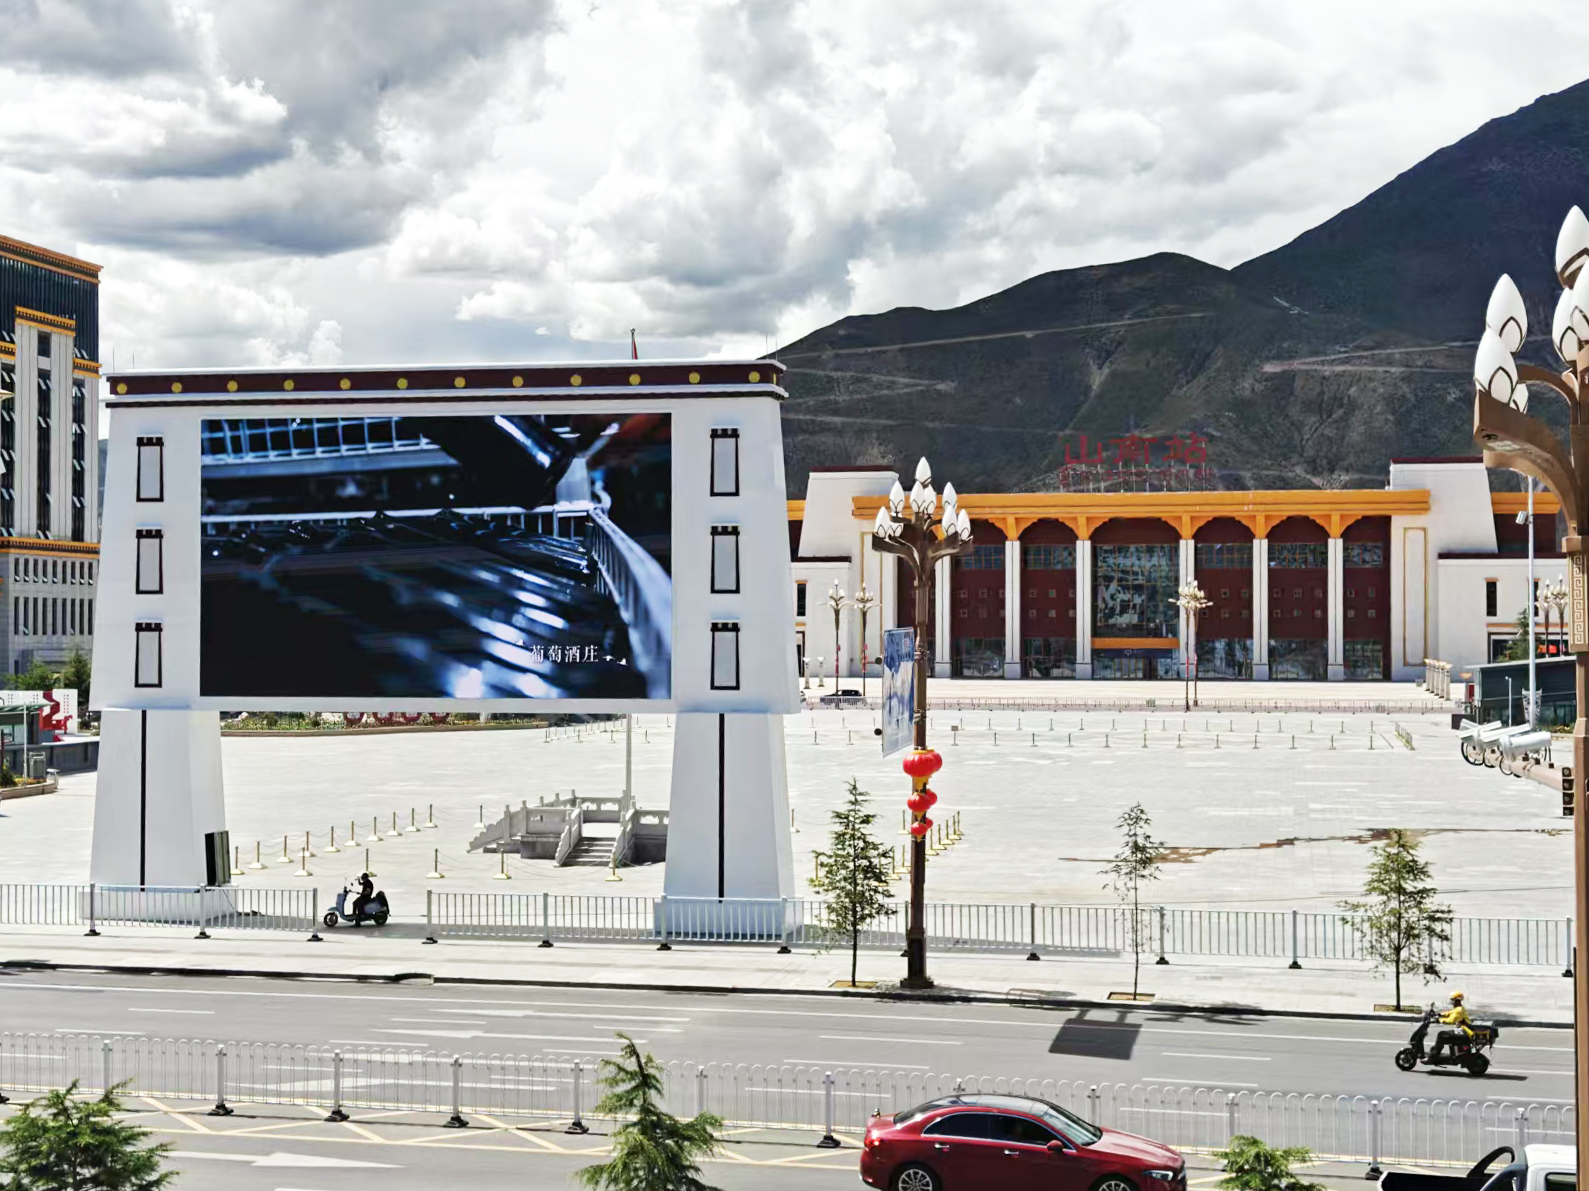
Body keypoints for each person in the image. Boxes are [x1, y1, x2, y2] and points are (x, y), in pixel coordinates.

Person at [1428, 991, 1473, 1063]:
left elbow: (1451, 1020)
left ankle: (1434, 1056)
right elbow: (1449, 1013)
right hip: (1463, 1030)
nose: (1451, 1002)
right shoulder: (1458, 1008)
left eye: (1452, 1000)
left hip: (1465, 1031)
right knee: (1444, 1035)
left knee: (1442, 1035)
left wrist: (1439, 1020)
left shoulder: (1459, 1010)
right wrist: (1439, 1014)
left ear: (1457, 1000)